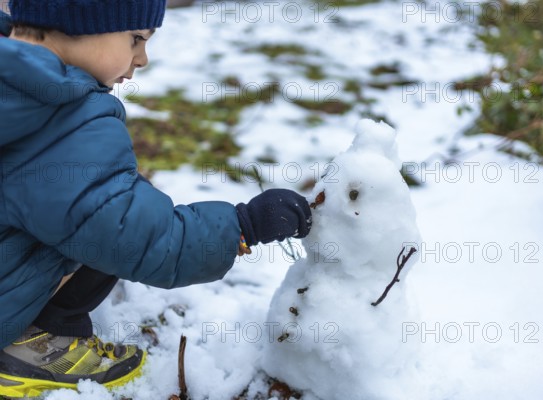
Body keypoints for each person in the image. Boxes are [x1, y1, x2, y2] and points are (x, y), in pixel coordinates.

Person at [0, 0, 312, 397]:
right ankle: (36, 343)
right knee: (109, 214)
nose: (142, 58)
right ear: (76, 23)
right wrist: (244, 225)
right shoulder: (58, 119)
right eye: (135, 38)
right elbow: (136, 235)